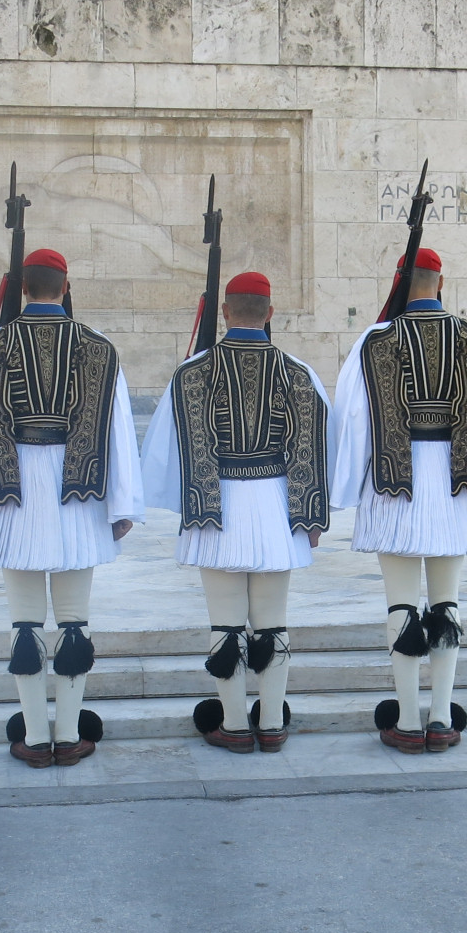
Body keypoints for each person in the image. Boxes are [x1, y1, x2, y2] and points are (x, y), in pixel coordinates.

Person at [329, 248, 467, 754]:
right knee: (448, 602)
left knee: (400, 603)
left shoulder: (374, 341)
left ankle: (404, 720)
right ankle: (442, 719)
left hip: (393, 485)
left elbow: (354, 420)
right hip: (457, 487)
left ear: (400, 283)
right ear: (442, 282)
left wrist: (344, 491)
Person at [0, 249, 143, 767]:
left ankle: (34, 738)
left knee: (25, 625)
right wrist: (123, 504)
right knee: (75, 621)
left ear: (22, 288)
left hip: (11, 496)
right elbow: (118, 431)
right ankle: (72, 734)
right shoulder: (99, 349)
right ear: (66, 285)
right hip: (81, 494)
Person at [141, 271, 330, 753]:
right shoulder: (297, 371)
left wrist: (182, 505)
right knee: (273, 622)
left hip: (215, 507)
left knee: (225, 623)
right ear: (270, 314)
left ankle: (233, 726)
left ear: (224, 312)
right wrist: (310, 516)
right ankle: (271, 725)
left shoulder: (193, 372)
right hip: (275, 507)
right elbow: (316, 446)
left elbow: (165, 451)